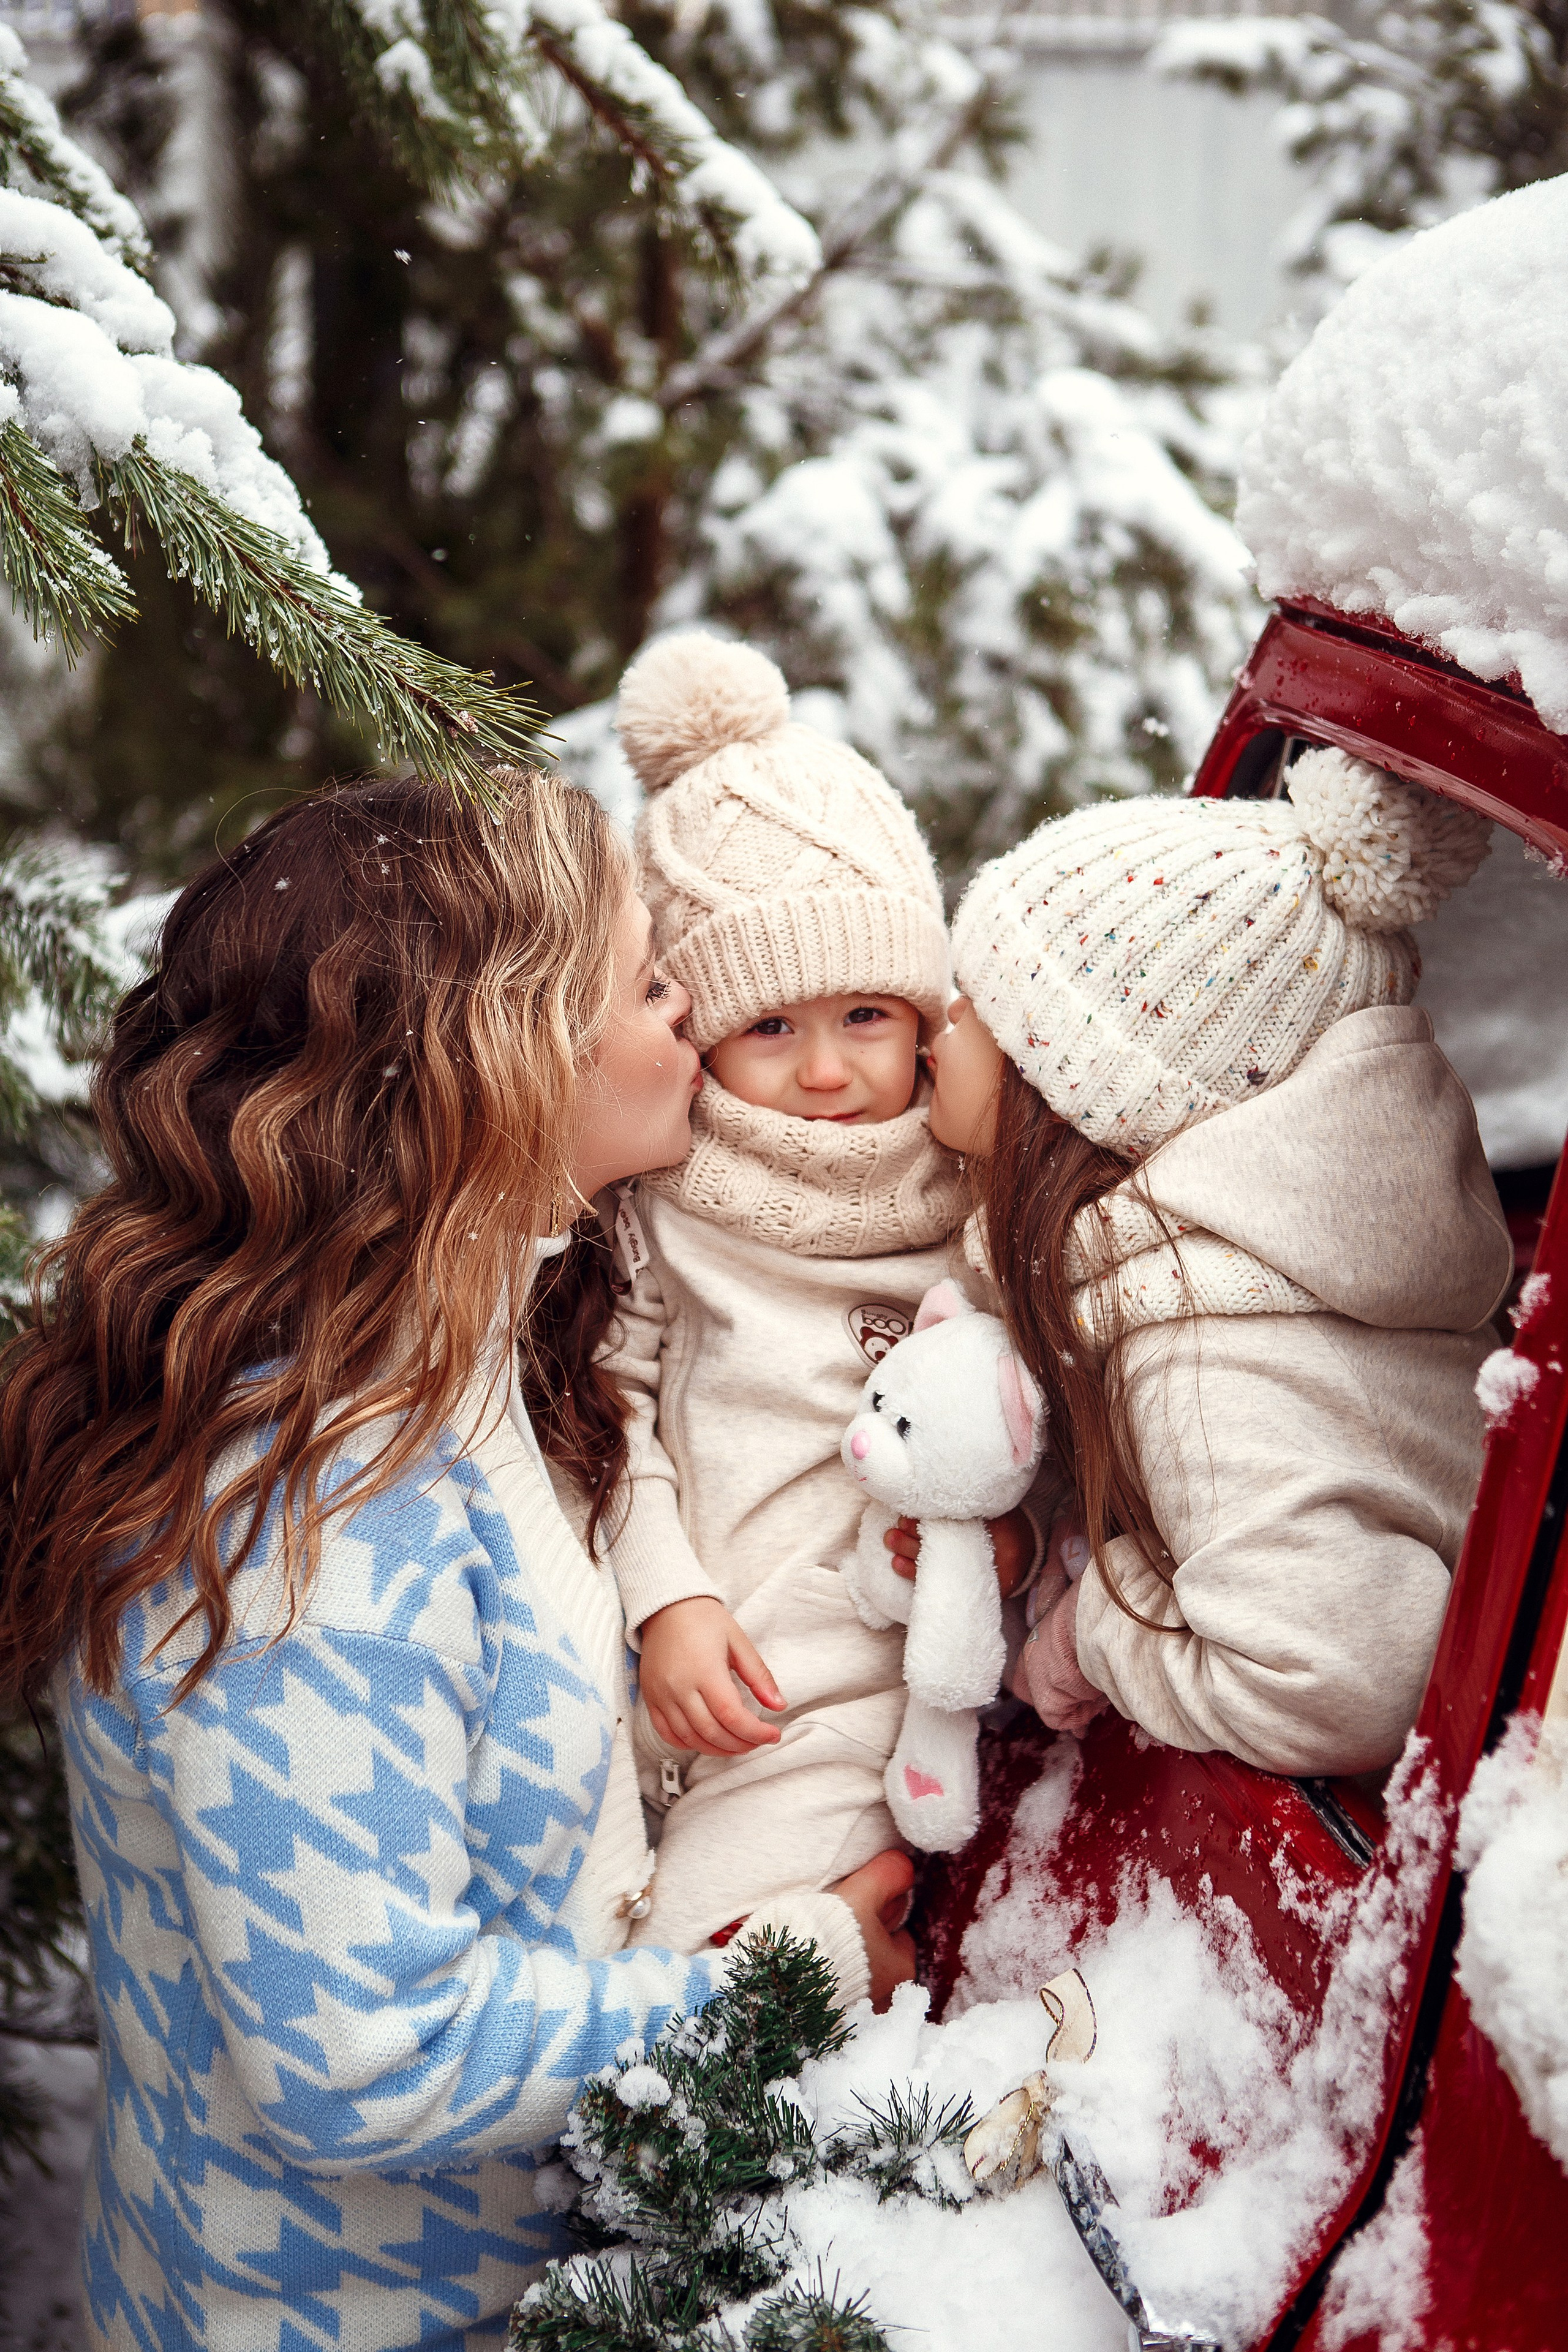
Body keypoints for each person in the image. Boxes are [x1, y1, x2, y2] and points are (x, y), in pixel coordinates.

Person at [0, 771, 913, 2352]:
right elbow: (363, 2054)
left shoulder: (464, 1347)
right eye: (640, 981)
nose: (687, 1006)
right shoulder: (307, 1530)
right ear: (498, 1071)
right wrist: (783, 1979)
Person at [548, 633, 1034, 1955]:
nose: (826, 1071)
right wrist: (667, 1601)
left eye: (865, 1016)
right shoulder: (671, 1198)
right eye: (770, 1028)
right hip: (683, 1662)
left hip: (855, 1698)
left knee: (703, 1975)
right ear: (699, 1033)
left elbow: (1034, 1428)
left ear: (924, 1011)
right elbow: (607, 1411)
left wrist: (1014, 1547)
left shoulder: (971, 1192)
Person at [912, 748, 1513, 1776]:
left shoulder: (1205, 1359)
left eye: (982, 1002)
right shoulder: (1238, 1268)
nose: (943, 1020)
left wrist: (1102, 1626)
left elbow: (1339, 1688)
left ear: (1084, 1092)